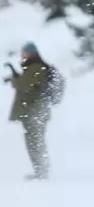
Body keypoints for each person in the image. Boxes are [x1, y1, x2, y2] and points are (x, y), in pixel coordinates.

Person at [5, 42, 53, 180]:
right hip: (34, 111)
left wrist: (15, 81)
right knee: (34, 141)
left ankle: (41, 171)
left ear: (31, 53)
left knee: (34, 142)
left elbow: (25, 84)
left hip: (35, 111)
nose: (22, 55)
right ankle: (41, 170)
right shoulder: (34, 67)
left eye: (24, 53)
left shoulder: (36, 67)